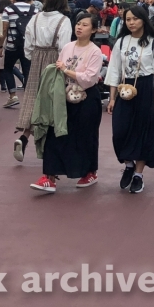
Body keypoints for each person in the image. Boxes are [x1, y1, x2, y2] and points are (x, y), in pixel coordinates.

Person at [30, 12, 105, 193]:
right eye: (78, 24)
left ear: (94, 29)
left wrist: (66, 70)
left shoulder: (95, 51)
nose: (79, 27)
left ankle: (89, 172)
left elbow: (89, 79)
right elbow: (58, 70)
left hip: (87, 99)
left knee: (85, 137)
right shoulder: (67, 47)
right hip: (64, 98)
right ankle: (49, 176)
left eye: (85, 25)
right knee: (56, 133)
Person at [106, 4, 154, 194]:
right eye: (128, 19)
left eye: (135, 19)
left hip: (146, 88)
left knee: (143, 132)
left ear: (144, 20)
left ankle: (138, 175)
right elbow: (114, 69)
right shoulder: (121, 42)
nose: (131, 22)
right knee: (120, 130)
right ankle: (128, 164)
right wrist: (112, 97)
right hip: (125, 86)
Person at [14, 0, 72, 160]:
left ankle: (24, 136)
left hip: (37, 58)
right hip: (55, 60)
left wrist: (34, 57)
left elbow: (28, 44)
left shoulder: (35, 18)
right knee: (53, 102)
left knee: (33, 98)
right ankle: (50, 145)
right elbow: (65, 46)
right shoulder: (64, 21)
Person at [1, 0, 39, 110]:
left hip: (12, 45)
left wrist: (1, 45)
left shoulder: (8, 9)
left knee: (8, 69)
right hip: (29, 45)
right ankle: (29, 98)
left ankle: (12, 95)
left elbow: (5, 29)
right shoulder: (35, 10)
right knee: (28, 69)